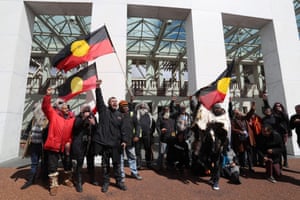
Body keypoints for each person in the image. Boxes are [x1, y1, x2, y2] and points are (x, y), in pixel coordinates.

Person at [93, 80, 128, 193]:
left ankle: (119, 182)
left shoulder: (120, 115)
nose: (115, 103)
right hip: (105, 145)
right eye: (112, 101)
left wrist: (124, 141)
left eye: (116, 102)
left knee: (117, 165)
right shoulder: (103, 111)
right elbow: (99, 100)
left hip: (116, 145)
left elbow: (123, 130)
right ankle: (106, 183)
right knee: (105, 166)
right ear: (109, 103)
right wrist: (98, 88)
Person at [42, 88, 75, 196]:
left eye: (67, 107)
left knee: (67, 164)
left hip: (66, 146)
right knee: (52, 165)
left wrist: (69, 142)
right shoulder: (54, 115)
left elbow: (74, 131)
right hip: (53, 145)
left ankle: (67, 179)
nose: (65, 108)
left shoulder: (72, 119)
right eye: (63, 107)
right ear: (60, 109)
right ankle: (54, 185)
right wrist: (48, 96)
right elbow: (46, 107)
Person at [20, 103, 48, 190]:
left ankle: (44, 178)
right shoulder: (33, 120)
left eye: (35, 109)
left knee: (44, 163)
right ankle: (31, 180)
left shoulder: (46, 119)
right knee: (34, 163)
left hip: (43, 146)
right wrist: (23, 140)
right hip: (33, 145)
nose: (33, 111)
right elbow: (27, 130)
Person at [71, 104, 98, 192]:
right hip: (80, 144)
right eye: (85, 111)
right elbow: (76, 126)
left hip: (90, 144)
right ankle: (79, 182)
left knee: (91, 162)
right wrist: (83, 118)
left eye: (88, 110)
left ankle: (92, 178)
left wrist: (94, 124)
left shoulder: (92, 117)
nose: (87, 112)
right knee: (80, 163)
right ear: (82, 112)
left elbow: (97, 129)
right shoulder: (78, 118)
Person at [262, 94, 291, 168]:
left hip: (279, 135)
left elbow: (286, 120)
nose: (268, 111)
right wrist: (265, 100)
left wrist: (288, 132)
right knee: (273, 150)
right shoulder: (264, 119)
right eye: (276, 106)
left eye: (279, 106)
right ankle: (275, 163)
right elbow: (267, 107)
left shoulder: (276, 116)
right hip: (269, 136)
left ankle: (285, 161)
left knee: (282, 148)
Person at [118, 100, 143, 181]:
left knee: (132, 157)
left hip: (130, 140)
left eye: (126, 106)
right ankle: (121, 175)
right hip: (120, 141)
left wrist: (137, 135)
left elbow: (138, 125)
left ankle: (134, 172)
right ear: (120, 107)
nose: (126, 107)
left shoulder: (132, 114)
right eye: (124, 106)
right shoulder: (118, 114)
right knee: (120, 159)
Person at [230, 101, 256, 174]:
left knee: (249, 152)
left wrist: (253, 108)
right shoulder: (233, 121)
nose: (238, 113)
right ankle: (242, 167)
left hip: (248, 138)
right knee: (241, 153)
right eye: (236, 113)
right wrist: (240, 132)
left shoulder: (244, 118)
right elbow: (233, 129)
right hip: (240, 139)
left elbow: (249, 114)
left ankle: (250, 166)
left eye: (238, 112)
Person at [134, 102, 156, 169]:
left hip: (147, 135)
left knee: (148, 149)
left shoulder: (149, 115)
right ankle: (138, 164)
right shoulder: (136, 114)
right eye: (141, 107)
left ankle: (149, 164)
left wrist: (151, 133)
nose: (142, 108)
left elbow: (153, 125)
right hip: (138, 135)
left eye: (144, 107)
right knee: (138, 150)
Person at [156, 106, 176, 170]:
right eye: (165, 109)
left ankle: (169, 165)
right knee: (162, 153)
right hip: (163, 138)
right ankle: (160, 166)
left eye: (168, 109)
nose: (166, 110)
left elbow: (174, 128)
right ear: (163, 110)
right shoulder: (160, 118)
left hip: (171, 138)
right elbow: (157, 126)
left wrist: (174, 135)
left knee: (170, 153)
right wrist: (160, 131)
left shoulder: (172, 118)